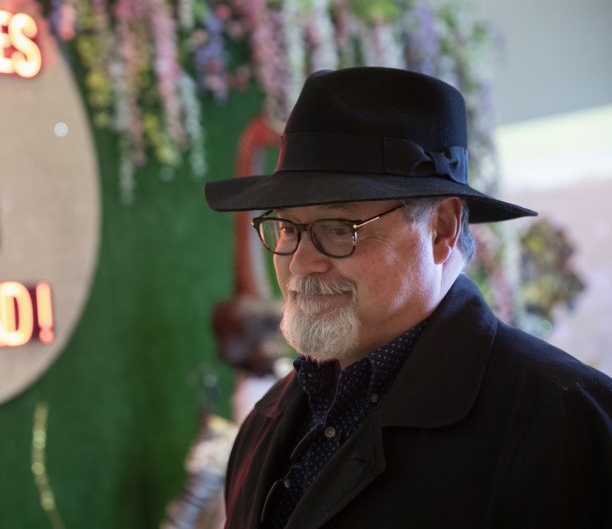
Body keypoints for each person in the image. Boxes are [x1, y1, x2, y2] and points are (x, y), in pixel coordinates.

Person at [203, 67, 612, 528]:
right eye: (287, 228)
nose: (300, 263)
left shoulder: (562, 423)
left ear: (441, 229)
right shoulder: (266, 421)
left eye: (339, 229)